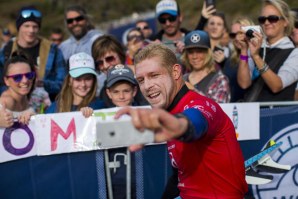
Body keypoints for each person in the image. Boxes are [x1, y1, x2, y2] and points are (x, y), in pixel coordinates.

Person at [115, 43, 248, 198]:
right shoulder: (170, 109)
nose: (147, 86)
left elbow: (194, 121)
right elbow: (181, 176)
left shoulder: (200, 104)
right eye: (141, 80)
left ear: (176, 72)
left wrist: (177, 125)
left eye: (154, 75)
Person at [0, 6, 67, 101]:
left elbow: (64, 83)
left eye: (35, 26)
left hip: (47, 106)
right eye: (27, 26)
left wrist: (42, 83)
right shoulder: (6, 50)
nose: (31, 30)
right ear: (19, 27)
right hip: (14, 105)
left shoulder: (53, 50)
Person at [237, 0, 298, 101]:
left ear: (285, 22)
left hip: (276, 114)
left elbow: (277, 85)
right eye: (262, 19)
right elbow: (244, 84)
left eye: (272, 18)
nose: (266, 23)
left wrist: (256, 57)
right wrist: (244, 51)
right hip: (252, 113)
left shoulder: (294, 53)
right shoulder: (255, 47)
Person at [91, 34, 148, 107]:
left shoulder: (143, 76)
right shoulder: (104, 90)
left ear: (120, 55)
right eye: (100, 63)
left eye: (109, 59)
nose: (105, 66)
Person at [182, 30, 230, 103]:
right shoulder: (182, 80)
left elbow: (218, 110)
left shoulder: (219, 80)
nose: (195, 56)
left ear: (208, 53)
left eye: (199, 51)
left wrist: (193, 90)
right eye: (191, 52)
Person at [0, 52, 36, 127]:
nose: (25, 80)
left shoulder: (33, 97)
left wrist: (35, 118)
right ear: (6, 81)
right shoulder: (5, 101)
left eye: (29, 75)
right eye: (17, 77)